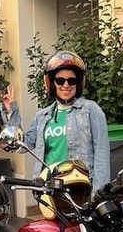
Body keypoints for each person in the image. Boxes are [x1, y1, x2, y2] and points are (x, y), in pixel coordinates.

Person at [26, 51, 110, 189]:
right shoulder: (43, 115)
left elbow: (101, 153)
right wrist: (11, 113)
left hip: (79, 186)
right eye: (60, 80)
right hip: (49, 187)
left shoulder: (90, 110)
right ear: (52, 83)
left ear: (79, 83)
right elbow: (25, 144)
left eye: (72, 80)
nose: (66, 85)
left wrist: (99, 192)